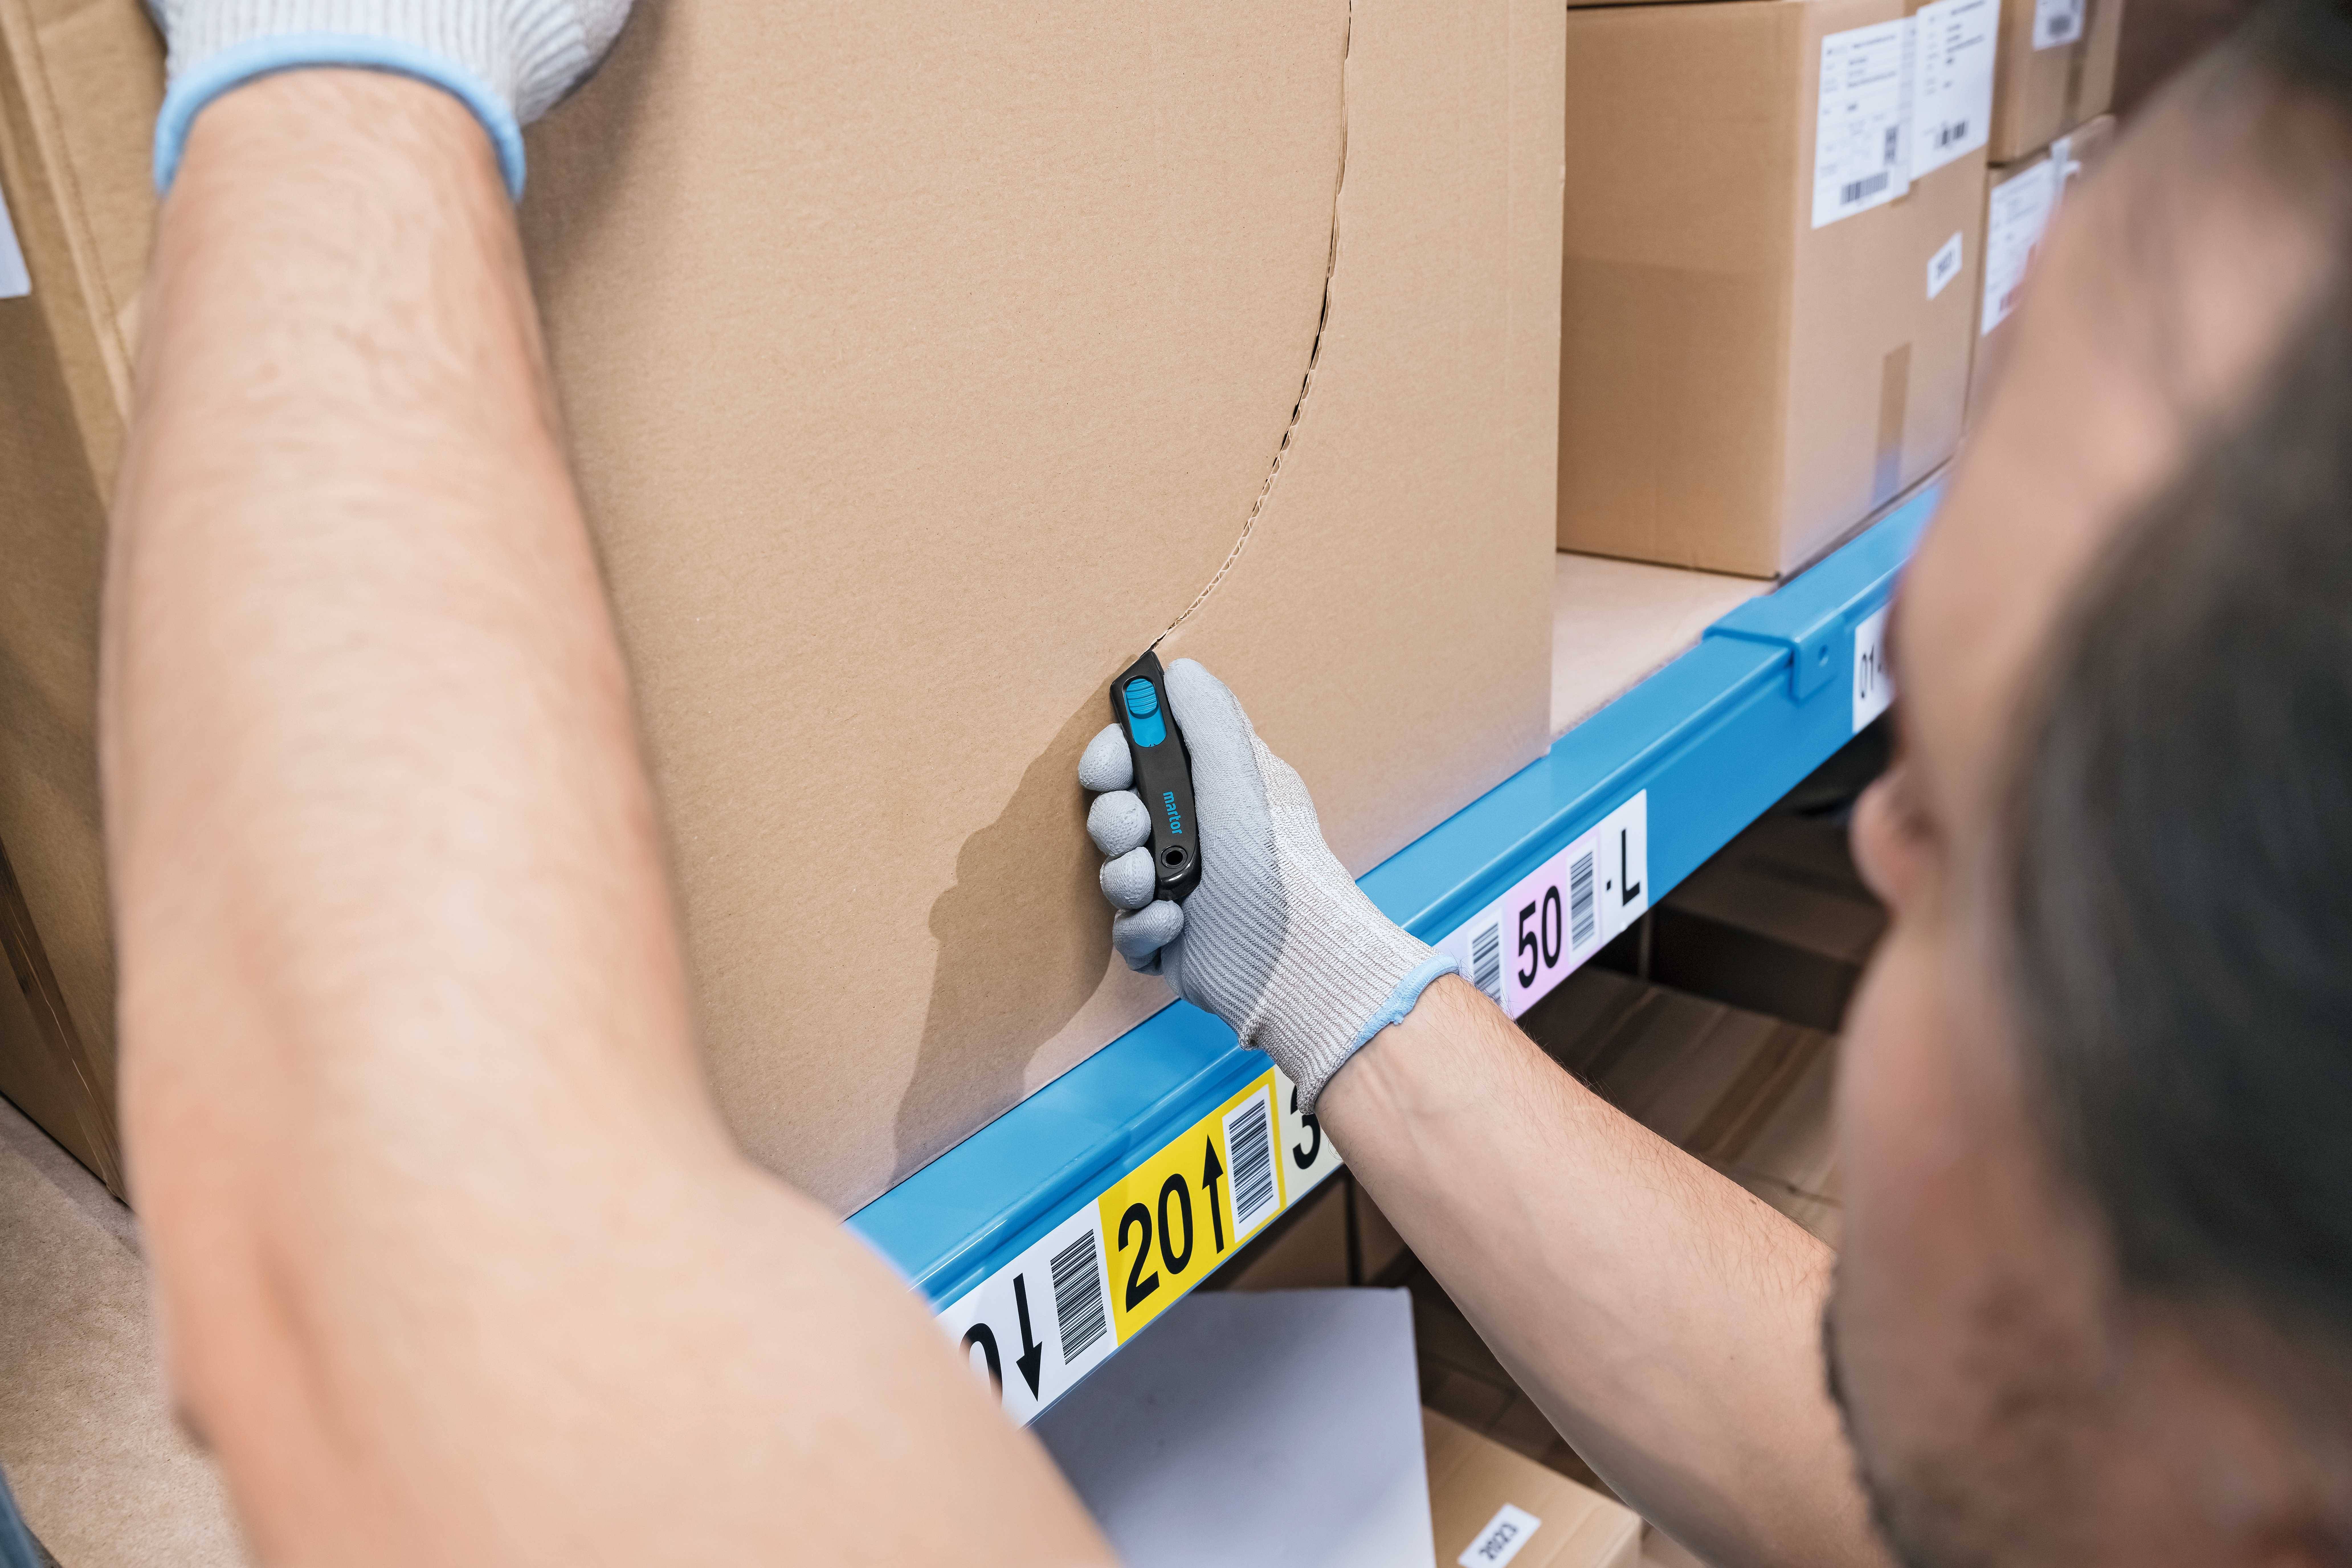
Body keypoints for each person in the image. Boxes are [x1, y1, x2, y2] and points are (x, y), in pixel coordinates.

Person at [64, 0, 2352, 1558]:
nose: (1873, 825)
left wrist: (343, 88)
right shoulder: (2205, 1451)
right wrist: (1336, 983)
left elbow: (413, 1303)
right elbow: (1884, 1453)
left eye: (1957, 828)